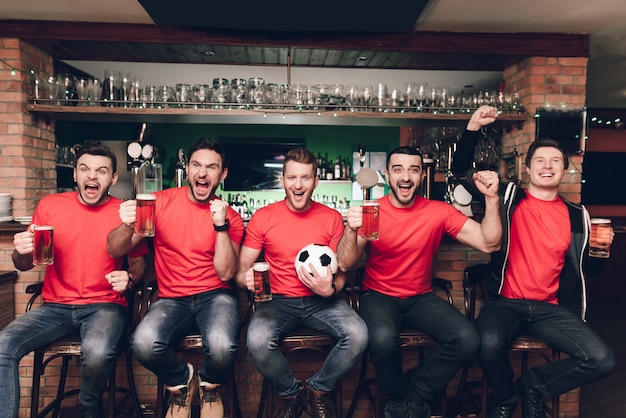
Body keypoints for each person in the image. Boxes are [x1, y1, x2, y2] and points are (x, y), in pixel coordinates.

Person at [451, 105, 616, 418]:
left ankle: (533, 385)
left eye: (555, 161)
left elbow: (587, 271)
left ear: (565, 169)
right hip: (506, 303)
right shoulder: (507, 197)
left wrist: (601, 251)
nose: (547, 166)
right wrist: (472, 127)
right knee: (487, 346)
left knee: (602, 359)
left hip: (551, 309)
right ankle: (505, 396)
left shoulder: (577, 215)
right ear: (527, 169)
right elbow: (460, 172)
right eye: (540, 161)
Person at [337, 146, 502, 418]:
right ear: (387, 175)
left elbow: (489, 242)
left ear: (421, 175)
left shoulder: (439, 211)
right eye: (398, 169)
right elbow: (345, 263)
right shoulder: (373, 211)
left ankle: (412, 392)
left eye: (413, 169)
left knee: (467, 339)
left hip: (420, 297)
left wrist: (492, 199)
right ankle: (398, 397)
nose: (406, 176)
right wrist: (349, 229)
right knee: (381, 338)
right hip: (378, 295)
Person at [1, 142, 148, 418]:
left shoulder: (123, 212)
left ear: (113, 179)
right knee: (2, 345)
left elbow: (139, 262)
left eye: (101, 171)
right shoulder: (50, 206)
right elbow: (23, 264)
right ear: (75, 175)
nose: (92, 176)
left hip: (104, 306)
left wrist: (129, 277)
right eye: (85, 169)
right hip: (54, 307)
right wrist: (19, 251)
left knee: (98, 351)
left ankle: (89, 403)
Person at [107, 138, 244, 418]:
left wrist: (221, 227)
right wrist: (126, 224)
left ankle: (210, 387)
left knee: (222, 346)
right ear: (188, 168)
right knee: (143, 343)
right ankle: (183, 381)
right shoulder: (159, 203)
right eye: (196, 165)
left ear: (223, 174)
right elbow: (115, 248)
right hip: (172, 299)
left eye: (211, 167)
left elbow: (226, 272)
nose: (202, 173)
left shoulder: (230, 217)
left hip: (216, 295)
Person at [235, 147, 368, 418]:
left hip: (323, 302)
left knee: (358, 335)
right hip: (277, 302)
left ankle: (316, 391)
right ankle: (293, 394)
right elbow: (239, 272)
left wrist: (329, 289)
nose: (298, 185)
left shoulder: (331, 217)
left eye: (305, 178)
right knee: (257, 340)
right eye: (292, 178)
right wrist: (246, 280)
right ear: (282, 180)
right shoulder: (264, 217)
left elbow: (342, 272)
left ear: (316, 182)